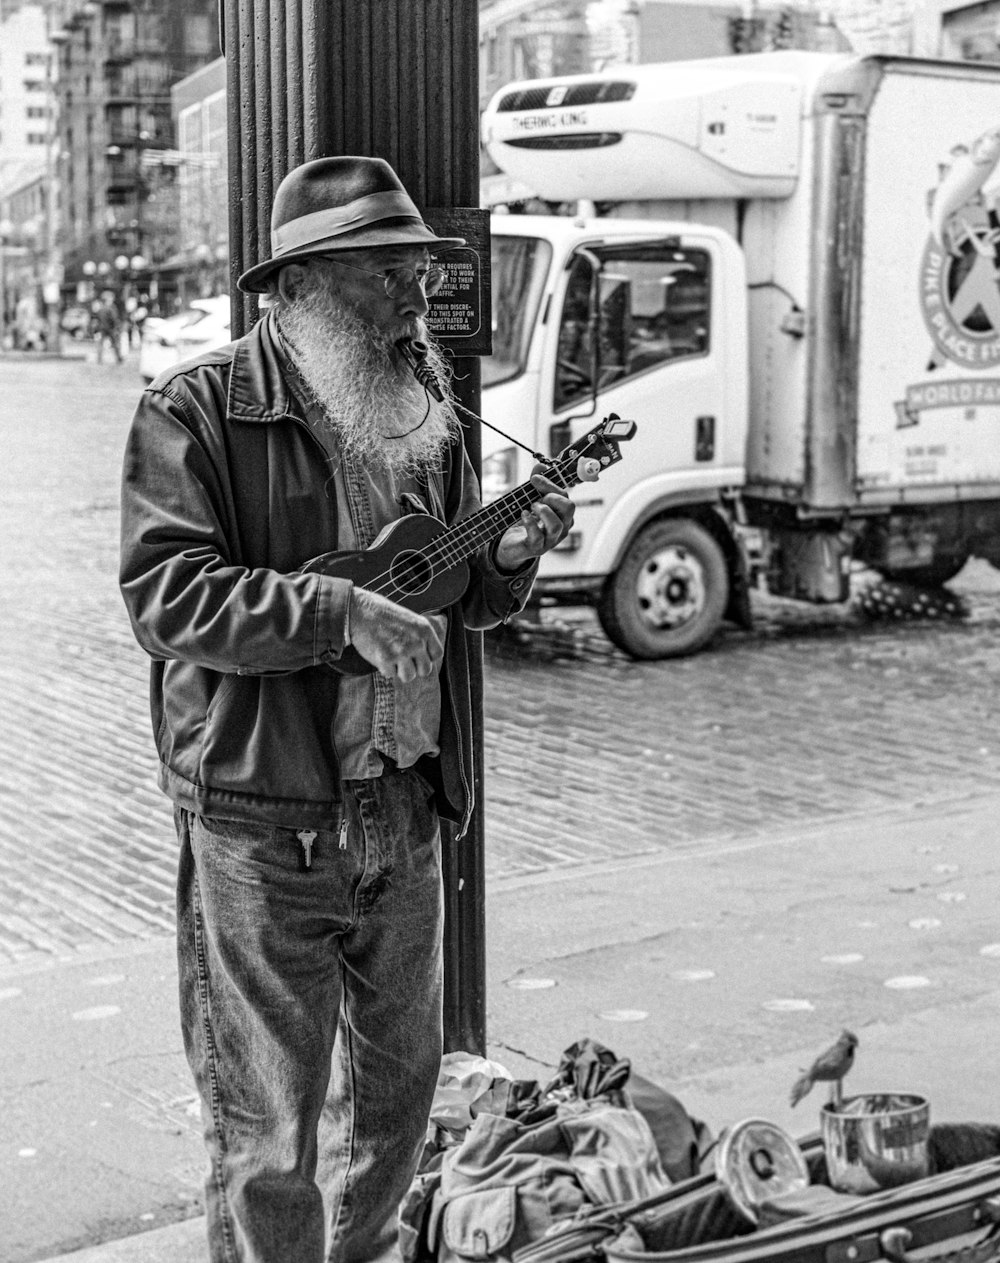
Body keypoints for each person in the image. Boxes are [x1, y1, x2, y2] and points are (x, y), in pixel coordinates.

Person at [118, 155, 574, 1263]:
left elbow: (456, 589)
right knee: (269, 1132)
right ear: (304, 285)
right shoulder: (195, 410)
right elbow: (166, 595)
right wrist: (337, 613)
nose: (415, 294)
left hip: (405, 807)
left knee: (398, 1104)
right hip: (266, 821)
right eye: (386, 272)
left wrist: (508, 558)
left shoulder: (427, 401)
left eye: (417, 266)